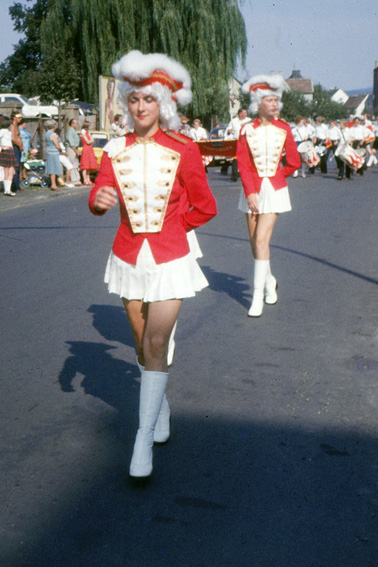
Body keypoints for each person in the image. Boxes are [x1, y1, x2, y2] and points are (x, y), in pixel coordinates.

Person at [88, 50, 217, 479]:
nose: (141, 107)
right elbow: (100, 193)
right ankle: (159, 407)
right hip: (127, 256)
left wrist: (175, 227)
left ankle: (142, 439)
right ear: (126, 103)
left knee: (158, 342)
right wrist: (99, 201)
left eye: (149, 100)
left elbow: (205, 205)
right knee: (142, 344)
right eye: (134, 100)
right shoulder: (114, 149)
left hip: (170, 258)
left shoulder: (184, 149)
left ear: (163, 104)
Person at [236, 74, 301, 317]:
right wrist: (251, 191)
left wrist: (276, 177)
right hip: (251, 190)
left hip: (274, 190)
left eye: (276, 100)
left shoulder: (284, 128)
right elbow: (243, 164)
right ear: (258, 104)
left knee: (261, 241)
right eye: (269, 100)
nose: (275, 104)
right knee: (255, 243)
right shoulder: (245, 131)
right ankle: (269, 280)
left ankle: (256, 298)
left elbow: (294, 161)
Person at [222, 107, 250, 181]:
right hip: (236, 141)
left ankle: (244, 173)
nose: (246, 114)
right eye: (245, 113)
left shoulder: (248, 121)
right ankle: (234, 175)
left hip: (245, 141)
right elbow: (228, 130)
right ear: (240, 114)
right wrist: (229, 131)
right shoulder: (233, 121)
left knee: (246, 159)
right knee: (235, 158)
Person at [0, 116, 18, 196]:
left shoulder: (8, 132)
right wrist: (2, 146)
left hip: (10, 151)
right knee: (7, 171)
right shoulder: (3, 131)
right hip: (6, 151)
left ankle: (8, 190)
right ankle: (7, 190)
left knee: (11, 171)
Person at [44, 119, 63, 191]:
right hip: (54, 152)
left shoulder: (47, 133)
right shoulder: (53, 134)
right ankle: (53, 184)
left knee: (51, 167)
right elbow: (57, 145)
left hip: (49, 151)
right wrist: (60, 149)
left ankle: (53, 183)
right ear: (54, 126)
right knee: (54, 168)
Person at [65, 118, 82, 186]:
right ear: (72, 124)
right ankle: (74, 180)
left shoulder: (73, 131)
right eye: (76, 123)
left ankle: (77, 179)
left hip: (74, 148)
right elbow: (71, 142)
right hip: (71, 149)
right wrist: (76, 150)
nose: (77, 124)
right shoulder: (70, 131)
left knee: (75, 163)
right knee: (72, 163)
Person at [10, 111, 23, 192]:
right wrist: (20, 145)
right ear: (14, 117)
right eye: (18, 117)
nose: (20, 119)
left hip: (18, 148)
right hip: (15, 147)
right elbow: (13, 138)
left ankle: (17, 185)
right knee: (16, 166)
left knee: (18, 166)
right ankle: (14, 186)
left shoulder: (17, 126)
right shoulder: (13, 127)